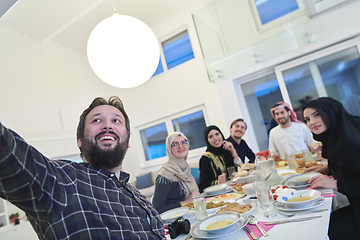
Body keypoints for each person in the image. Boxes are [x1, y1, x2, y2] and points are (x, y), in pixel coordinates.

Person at [0, 96, 165, 240]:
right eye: (96, 120)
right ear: (80, 141)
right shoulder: (61, 181)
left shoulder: (136, 195)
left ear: (127, 141)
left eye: (116, 120)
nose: (107, 125)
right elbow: (8, 153)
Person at [302, 97, 360, 239]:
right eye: (307, 119)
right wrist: (328, 169)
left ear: (331, 112)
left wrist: (335, 183)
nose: (311, 123)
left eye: (317, 115)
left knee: (318, 231)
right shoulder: (339, 135)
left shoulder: (349, 142)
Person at [152, 132, 199, 214]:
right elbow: (157, 209)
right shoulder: (165, 175)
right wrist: (186, 202)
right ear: (169, 149)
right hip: (176, 220)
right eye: (175, 144)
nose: (181, 146)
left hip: (192, 213)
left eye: (184, 142)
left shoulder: (185, 169)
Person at [198, 125, 241, 192]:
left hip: (234, 189)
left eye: (217, 134)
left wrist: (233, 152)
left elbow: (240, 172)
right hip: (219, 195)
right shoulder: (206, 158)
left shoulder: (227, 151)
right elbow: (202, 186)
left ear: (221, 135)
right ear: (207, 140)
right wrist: (218, 182)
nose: (215, 138)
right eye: (210, 137)